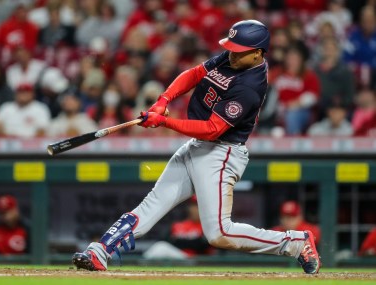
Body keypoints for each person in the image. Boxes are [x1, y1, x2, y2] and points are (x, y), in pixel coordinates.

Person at [72, 20, 321, 274]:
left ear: (257, 53)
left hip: (221, 153)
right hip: (198, 146)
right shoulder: (235, 57)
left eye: (239, 50)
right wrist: (164, 100)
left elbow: (212, 128)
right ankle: (100, 251)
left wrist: (164, 121)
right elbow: (195, 73)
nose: (232, 53)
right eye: (232, 48)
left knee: (219, 233)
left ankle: (296, 242)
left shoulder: (250, 87)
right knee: (151, 205)